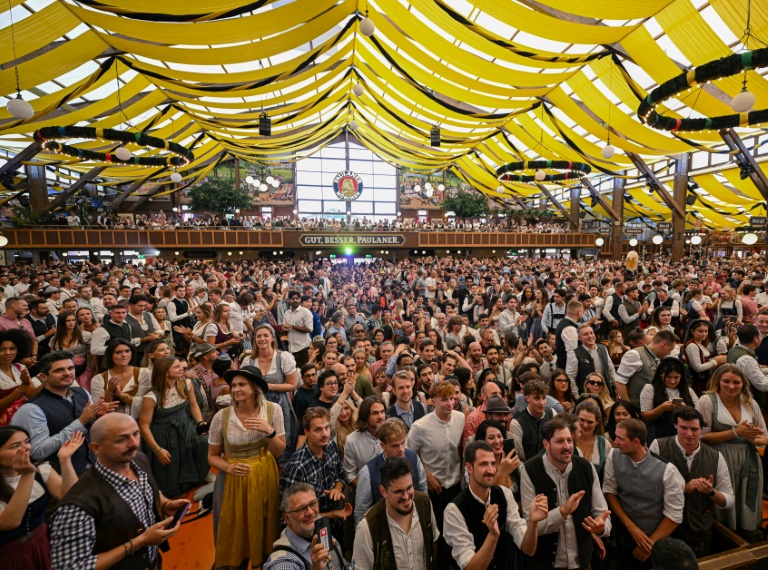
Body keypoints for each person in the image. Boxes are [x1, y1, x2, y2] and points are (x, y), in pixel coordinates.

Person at [49, 414, 188, 570]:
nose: (134, 443)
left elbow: (146, 490)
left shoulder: (138, 460)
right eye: (121, 439)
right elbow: (71, 567)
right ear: (96, 448)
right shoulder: (77, 506)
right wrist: (140, 541)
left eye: (136, 434)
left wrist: (164, 504)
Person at [207, 365, 285, 569]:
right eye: (233, 385)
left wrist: (270, 432)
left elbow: (279, 452)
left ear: (255, 387)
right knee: (234, 527)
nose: (235, 389)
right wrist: (228, 467)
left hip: (263, 474)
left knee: (263, 522)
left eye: (242, 384)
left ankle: (262, 561)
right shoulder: (221, 417)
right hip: (233, 479)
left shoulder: (273, 410)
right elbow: (212, 457)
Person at [520, 417, 612, 570]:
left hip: (582, 564)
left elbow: (602, 514)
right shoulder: (531, 470)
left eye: (569, 440)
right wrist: (562, 512)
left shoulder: (585, 467)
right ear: (546, 444)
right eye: (560, 441)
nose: (567, 446)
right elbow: (531, 526)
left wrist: (601, 528)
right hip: (544, 564)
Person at [443, 440, 548, 569]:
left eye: (493, 464)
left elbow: (528, 549)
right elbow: (471, 567)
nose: (491, 470)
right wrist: (493, 535)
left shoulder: (504, 494)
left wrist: (532, 523)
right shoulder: (454, 510)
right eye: (483, 464)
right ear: (469, 467)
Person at [649, 407, 734, 557]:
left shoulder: (716, 456)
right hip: (664, 528)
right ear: (675, 425)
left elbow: (728, 501)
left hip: (700, 530)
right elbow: (648, 490)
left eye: (694, 429)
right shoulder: (658, 446)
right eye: (683, 428)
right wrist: (682, 489)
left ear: (702, 429)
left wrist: (711, 492)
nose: (689, 434)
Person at [696, 364, 768, 539]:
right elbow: (701, 436)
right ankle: (725, 537)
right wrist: (736, 432)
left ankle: (746, 534)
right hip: (719, 457)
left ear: (743, 383)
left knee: (745, 498)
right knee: (723, 498)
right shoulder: (707, 401)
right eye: (726, 381)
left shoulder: (750, 403)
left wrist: (754, 439)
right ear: (718, 381)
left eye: (736, 382)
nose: (731, 386)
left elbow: (765, 436)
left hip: (747, 458)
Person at [13, 351, 115, 475]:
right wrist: (81, 421)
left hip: (92, 467)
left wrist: (98, 416)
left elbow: (91, 430)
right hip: (59, 477)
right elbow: (38, 452)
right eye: (59, 370)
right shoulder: (32, 408)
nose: (67, 373)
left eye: (70, 368)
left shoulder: (81, 392)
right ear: (43, 377)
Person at [603, 419, 685, 570]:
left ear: (635, 442)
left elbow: (674, 515)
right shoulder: (613, 456)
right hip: (625, 537)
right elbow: (609, 491)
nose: (615, 442)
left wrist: (649, 545)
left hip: (657, 541)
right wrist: (631, 527)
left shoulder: (668, 470)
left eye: (620, 438)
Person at [0, 427, 83, 569]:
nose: (25, 448)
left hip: (42, 543)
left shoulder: (41, 469)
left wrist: (65, 459)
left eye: (27, 442)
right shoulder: (30, 473)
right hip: (8, 554)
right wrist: (27, 475)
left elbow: (69, 496)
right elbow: (9, 523)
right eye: (15, 446)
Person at [406, 380, 465, 566]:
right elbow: (408, 455)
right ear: (433, 402)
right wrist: (427, 476)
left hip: (456, 487)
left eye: (452, 398)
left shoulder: (461, 418)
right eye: (444, 399)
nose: (449, 403)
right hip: (434, 490)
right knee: (436, 535)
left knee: (457, 535)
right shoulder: (420, 427)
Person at [138, 357, 209, 497]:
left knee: (203, 442)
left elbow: (193, 405)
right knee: (170, 464)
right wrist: (157, 450)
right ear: (165, 372)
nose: (182, 368)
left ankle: (200, 478)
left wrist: (200, 422)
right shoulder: (151, 397)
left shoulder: (186, 384)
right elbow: (144, 426)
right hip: (163, 434)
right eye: (176, 367)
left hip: (185, 426)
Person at [353, 457, 438, 570]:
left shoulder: (424, 504)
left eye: (409, 488)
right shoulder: (367, 527)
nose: (406, 497)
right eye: (399, 492)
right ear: (383, 491)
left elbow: (433, 546)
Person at [279, 408, 352, 539]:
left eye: (327, 428)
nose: (325, 434)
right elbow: (290, 516)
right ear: (306, 432)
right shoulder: (297, 467)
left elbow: (340, 474)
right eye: (318, 430)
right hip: (309, 534)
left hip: (334, 526)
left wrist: (337, 488)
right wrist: (332, 514)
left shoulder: (330, 446)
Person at [241, 324, 299, 462]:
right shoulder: (248, 360)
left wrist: (268, 386)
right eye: (258, 336)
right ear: (254, 340)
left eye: (265, 335)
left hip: (280, 405)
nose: (262, 339)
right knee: (259, 444)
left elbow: (293, 385)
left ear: (272, 338)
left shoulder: (283, 357)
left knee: (280, 442)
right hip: (255, 406)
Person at [354, 418, 428, 526]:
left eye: (403, 443)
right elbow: (361, 514)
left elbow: (423, 493)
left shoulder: (413, 458)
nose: (401, 449)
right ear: (383, 445)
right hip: (384, 528)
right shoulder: (368, 472)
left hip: (414, 521)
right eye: (395, 445)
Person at [263, 483, 348, 570]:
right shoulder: (282, 563)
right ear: (287, 518)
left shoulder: (321, 531)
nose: (310, 512)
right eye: (301, 509)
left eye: (313, 503)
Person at [639, 357, 698, 444]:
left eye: (676, 377)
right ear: (661, 374)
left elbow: (698, 413)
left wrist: (685, 409)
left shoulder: (688, 391)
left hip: (684, 435)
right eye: (669, 377)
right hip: (658, 435)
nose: (672, 381)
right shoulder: (650, 389)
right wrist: (661, 408)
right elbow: (644, 416)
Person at [615, 330, 676, 408]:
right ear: (663, 345)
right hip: (636, 408)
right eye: (670, 349)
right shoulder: (635, 354)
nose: (669, 353)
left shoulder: (657, 358)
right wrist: (629, 408)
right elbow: (619, 382)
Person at [90, 339, 151, 418]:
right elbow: (99, 410)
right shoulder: (98, 379)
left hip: (138, 420)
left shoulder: (143, 373)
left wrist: (122, 395)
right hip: (110, 422)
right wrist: (109, 393)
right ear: (110, 356)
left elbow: (145, 403)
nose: (124, 355)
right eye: (118, 352)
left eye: (127, 351)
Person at [0, 329, 41, 426]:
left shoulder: (20, 368)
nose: (8, 353)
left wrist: (47, 382)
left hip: (23, 416)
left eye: (12, 348)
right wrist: (22, 387)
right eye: (2, 349)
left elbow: (31, 395)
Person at [343, 396, 386, 486]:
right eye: (375, 413)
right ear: (365, 416)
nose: (381, 416)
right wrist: (366, 490)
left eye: (382, 412)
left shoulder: (393, 434)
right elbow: (349, 474)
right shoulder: (352, 440)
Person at [511, 379, 556, 463]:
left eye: (544, 398)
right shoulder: (516, 423)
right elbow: (518, 457)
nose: (542, 402)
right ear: (527, 398)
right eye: (537, 398)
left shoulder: (552, 413)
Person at [566, 324, 616, 396]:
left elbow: (611, 368)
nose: (590, 336)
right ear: (580, 338)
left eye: (591, 333)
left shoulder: (603, 348)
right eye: (586, 334)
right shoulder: (574, 354)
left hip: (605, 393)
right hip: (586, 395)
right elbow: (570, 378)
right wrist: (577, 397)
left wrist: (616, 387)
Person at [471, 419, 519, 489]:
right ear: (482, 441)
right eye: (491, 438)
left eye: (499, 436)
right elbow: (488, 495)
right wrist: (502, 472)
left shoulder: (512, 461)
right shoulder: (476, 467)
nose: (497, 441)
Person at [574, 398, 610, 478]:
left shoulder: (604, 444)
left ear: (597, 422)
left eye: (590, 422)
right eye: (582, 420)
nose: (585, 425)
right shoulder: (568, 439)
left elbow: (607, 477)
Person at [282, 291, 313, 368]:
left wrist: (293, 327)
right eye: (293, 299)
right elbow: (286, 328)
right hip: (291, 349)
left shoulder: (305, 312)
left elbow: (309, 329)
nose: (295, 300)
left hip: (303, 348)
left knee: (303, 372)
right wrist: (283, 329)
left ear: (300, 300)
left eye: (297, 298)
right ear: (289, 300)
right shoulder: (287, 313)